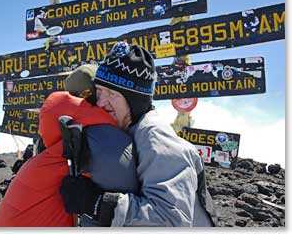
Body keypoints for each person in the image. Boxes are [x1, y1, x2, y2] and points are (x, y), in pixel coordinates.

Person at [60, 42, 218, 227]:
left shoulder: (157, 139)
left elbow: (171, 221)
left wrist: (97, 204)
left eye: (113, 94)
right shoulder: (124, 129)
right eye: (100, 91)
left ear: (134, 100)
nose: (101, 102)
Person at [0, 64, 137, 227]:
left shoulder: (59, 134)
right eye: (103, 93)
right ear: (88, 94)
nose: (105, 100)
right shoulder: (100, 138)